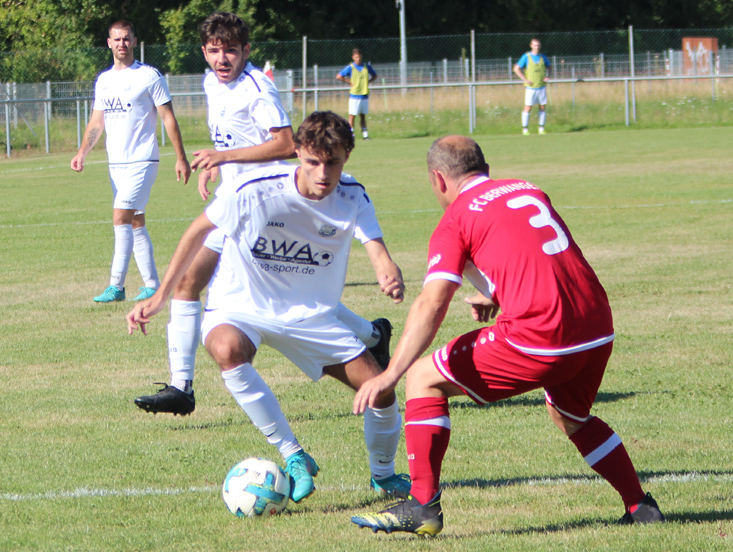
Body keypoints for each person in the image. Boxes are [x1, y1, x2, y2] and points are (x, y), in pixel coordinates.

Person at [350, 136, 665, 536]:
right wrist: (495, 292)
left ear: (438, 179)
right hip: (596, 327)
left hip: (541, 334)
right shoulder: (526, 188)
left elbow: (432, 303)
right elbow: (535, 251)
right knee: (570, 415)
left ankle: (422, 505)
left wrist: (390, 373)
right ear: (484, 168)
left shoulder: (455, 219)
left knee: (421, 377)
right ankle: (640, 506)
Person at [128, 111, 411, 503]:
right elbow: (197, 231)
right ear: (298, 153)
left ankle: (383, 476)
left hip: (310, 315)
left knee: (381, 392)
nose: (323, 173)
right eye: (313, 162)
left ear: (347, 155)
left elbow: (376, 247)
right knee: (227, 349)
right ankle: (293, 455)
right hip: (241, 304)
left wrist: (387, 269)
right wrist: (161, 296)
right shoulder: (255, 189)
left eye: (333, 162)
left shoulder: (352, 196)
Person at [133, 12, 394, 417]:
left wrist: (225, 157)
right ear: (204, 51)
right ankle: (181, 386)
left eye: (231, 50)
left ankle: (372, 336)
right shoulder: (211, 82)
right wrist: (219, 166)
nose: (222, 58)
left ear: (246, 51)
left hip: (266, 208)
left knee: (289, 296)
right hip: (235, 201)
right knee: (191, 282)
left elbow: (287, 144)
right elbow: (234, 139)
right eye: (214, 50)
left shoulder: (258, 89)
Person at [71, 20, 190, 303]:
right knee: (135, 221)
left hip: (143, 160)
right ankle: (152, 284)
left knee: (120, 217)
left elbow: (168, 118)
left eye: (126, 38)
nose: (122, 43)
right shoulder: (104, 80)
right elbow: (96, 122)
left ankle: (116, 286)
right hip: (116, 165)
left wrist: (181, 158)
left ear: (134, 41)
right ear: (109, 43)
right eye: (117, 39)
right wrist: (82, 152)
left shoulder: (149, 76)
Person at [336, 48, 378, 140]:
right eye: (356, 57)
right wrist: (349, 81)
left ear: (361, 56)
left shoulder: (366, 67)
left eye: (359, 57)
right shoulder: (351, 67)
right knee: (352, 115)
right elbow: (339, 76)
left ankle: (365, 135)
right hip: (354, 95)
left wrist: (368, 82)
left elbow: (375, 75)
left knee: (363, 116)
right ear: (353, 57)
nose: (358, 59)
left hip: (364, 95)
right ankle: (351, 135)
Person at [513, 38, 550, 135]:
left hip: (541, 86)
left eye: (538, 45)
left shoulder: (542, 57)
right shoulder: (526, 56)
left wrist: (548, 75)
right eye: (535, 45)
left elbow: (549, 66)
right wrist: (525, 79)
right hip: (531, 88)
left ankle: (541, 128)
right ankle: (525, 129)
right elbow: (516, 69)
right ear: (531, 46)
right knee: (528, 107)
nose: (537, 47)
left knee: (542, 106)